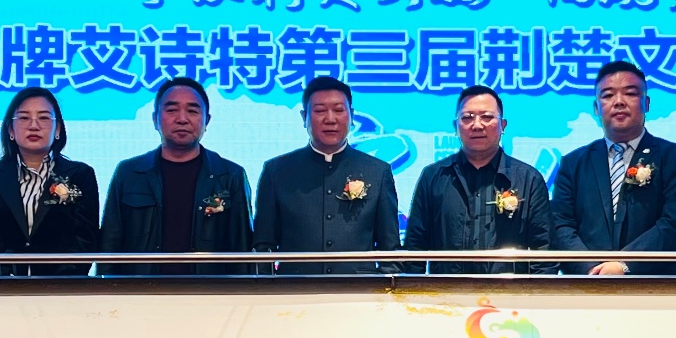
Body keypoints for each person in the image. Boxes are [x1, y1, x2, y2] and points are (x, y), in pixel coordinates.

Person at [551, 60, 676, 275]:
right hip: (586, 283)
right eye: (608, 95)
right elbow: (560, 225)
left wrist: (624, 265)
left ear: (646, 103)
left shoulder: (675, 159)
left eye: (630, 93)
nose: (619, 102)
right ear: (596, 107)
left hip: (657, 284)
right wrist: (591, 270)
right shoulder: (573, 163)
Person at [101, 76, 252, 276]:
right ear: (155, 119)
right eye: (171, 110)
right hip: (141, 290)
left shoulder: (230, 175)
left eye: (192, 111)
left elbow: (242, 251)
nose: (182, 119)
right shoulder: (129, 173)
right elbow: (110, 245)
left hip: (209, 291)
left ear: (206, 120)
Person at [252, 76, 400, 273]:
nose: (330, 119)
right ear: (304, 117)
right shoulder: (277, 171)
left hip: (360, 288)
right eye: (320, 110)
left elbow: (390, 250)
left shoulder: (377, 172)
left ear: (351, 115)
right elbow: (264, 245)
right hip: (294, 288)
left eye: (339, 110)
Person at [404, 85, 552, 273]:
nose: (477, 125)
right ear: (455, 127)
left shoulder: (529, 179)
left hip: (509, 289)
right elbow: (415, 247)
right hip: (447, 289)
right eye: (467, 117)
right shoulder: (433, 177)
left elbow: (544, 252)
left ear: (503, 125)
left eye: (487, 117)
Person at [0, 86, 100, 276]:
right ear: (10, 130)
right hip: (0, 287)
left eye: (43, 118)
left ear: (58, 129)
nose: (34, 125)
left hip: (61, 287)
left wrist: (58, 283)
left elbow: (86, 239)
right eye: (24, 118)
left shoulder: (80, 175)